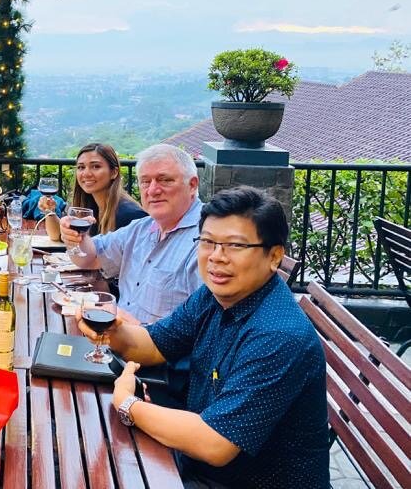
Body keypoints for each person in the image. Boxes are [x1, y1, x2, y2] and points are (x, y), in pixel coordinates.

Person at [79, 186, 329, 488]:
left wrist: (129, 405)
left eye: (235, 246)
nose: (216, 257)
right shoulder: (215, 296)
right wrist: (113, 332)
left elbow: (216, 443)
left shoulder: (278, 335)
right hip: (198, 464)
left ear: (274, 256)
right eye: (208, 242)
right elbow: (155, 344)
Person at [61, 143, 202, 324]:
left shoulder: (207, 240)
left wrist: (134, 333)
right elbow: (88, 258)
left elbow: (205, 330)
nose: (152, 190)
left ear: (192, 185)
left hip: (153, 350)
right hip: (114, 339)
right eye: (145, 181)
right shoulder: (141, 228)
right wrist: (77, 238)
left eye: (165, 180)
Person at [39, 142, 146, 241]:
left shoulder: (130, 216)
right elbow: (57, 236)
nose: (86, 173)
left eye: (96, 166)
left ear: (114, 172)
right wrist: (49, 211)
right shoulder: (88, 205)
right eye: (81, 167)